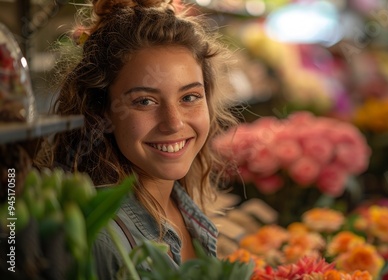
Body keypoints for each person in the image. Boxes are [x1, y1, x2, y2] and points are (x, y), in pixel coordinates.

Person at [35, 0, 239, 278]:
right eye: (145, 101)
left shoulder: (180, 204)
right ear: (102, 112)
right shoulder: (103, 242)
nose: (174, 123)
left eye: (189, 97)